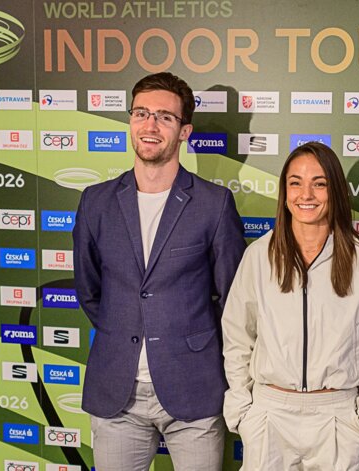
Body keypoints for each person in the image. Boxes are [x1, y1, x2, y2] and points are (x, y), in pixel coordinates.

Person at [73, 72, 245, 471]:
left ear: (184, 131)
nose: (150, 125)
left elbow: (234, 299)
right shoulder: (96, 202)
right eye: (142, 113)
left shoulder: (214, 203)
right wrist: (126, 328)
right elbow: (89, 290)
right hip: (116, 393)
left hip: (194, 389)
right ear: (130, 120)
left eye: (165, 117)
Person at [222, 142, 359, 470]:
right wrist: (243, 412)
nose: (306, 194)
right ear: (284, 191)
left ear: (335, 190)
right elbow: (237, 338)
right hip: (270, 415)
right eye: (296, 183)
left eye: (319, 183)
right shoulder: (259, 255)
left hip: (338, 417)